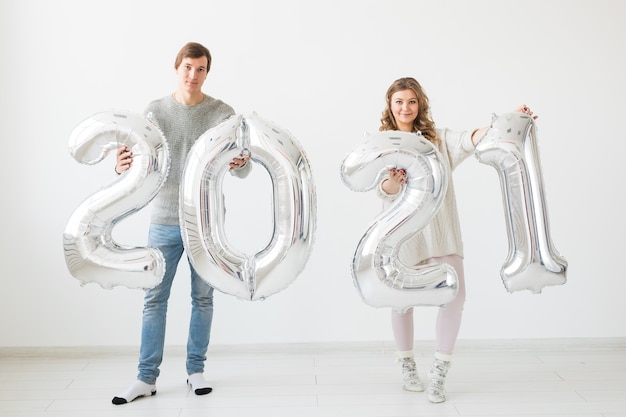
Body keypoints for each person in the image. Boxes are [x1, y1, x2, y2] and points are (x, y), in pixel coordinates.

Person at [376, 77, 535, 403]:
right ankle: (407, 366)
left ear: (419, 105)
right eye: (399, 102)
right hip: (402, 237)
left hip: (441, 233)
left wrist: (511, 119)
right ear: (390, 107)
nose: (405, 107)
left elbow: (471, 139)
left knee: (455, 299)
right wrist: (393, 181)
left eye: (411, 101)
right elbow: (382, 190)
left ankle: (439, 373)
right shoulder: (382, 144)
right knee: (401, 302)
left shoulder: (438, 139)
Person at [111, 42, 250, 405]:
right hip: (164, 218)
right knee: (154, 297)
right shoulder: (155, 111)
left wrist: (239, 162)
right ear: (177, 68)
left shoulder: (222, 113)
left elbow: (244, 167)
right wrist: (122, 164)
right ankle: (145, 377)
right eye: (188, 67)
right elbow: (140, 161)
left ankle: (195, 370)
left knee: (202, 298)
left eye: (201, 69)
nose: (193, 75)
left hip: (205, 222)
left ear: (207, 72)